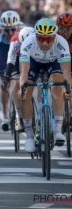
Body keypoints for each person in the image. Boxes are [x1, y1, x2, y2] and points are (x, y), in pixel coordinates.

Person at [19, 18, 72, 153]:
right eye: (41, 38)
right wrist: (22, 87)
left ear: (54, 37)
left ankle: (58, 130)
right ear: (35, 36)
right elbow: (24, 71)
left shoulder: (62, 43)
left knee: (57, 87)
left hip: (52, 63)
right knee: (26, 93)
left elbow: (66, 69)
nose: (44, 42)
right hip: (33, 63)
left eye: (48, 39)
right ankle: (30, 136)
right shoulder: (28, 43)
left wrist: (69, 88)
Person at [0, 10, 25, 131]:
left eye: (13, 30)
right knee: (5, 83)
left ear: (18, 27)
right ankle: (5, 117)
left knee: (18, 82)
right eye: (7, 30)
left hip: (20, 50)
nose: (10, 33)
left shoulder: (24, 30)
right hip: (4, 50)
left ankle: (20, 112)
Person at [4, 27, 34, 132]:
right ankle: (19, 116)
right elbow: (11, 60)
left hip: (32, 59)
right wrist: (7, 76)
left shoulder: (36, 41)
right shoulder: (15, 41)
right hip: (17, 60)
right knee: (16, 83)